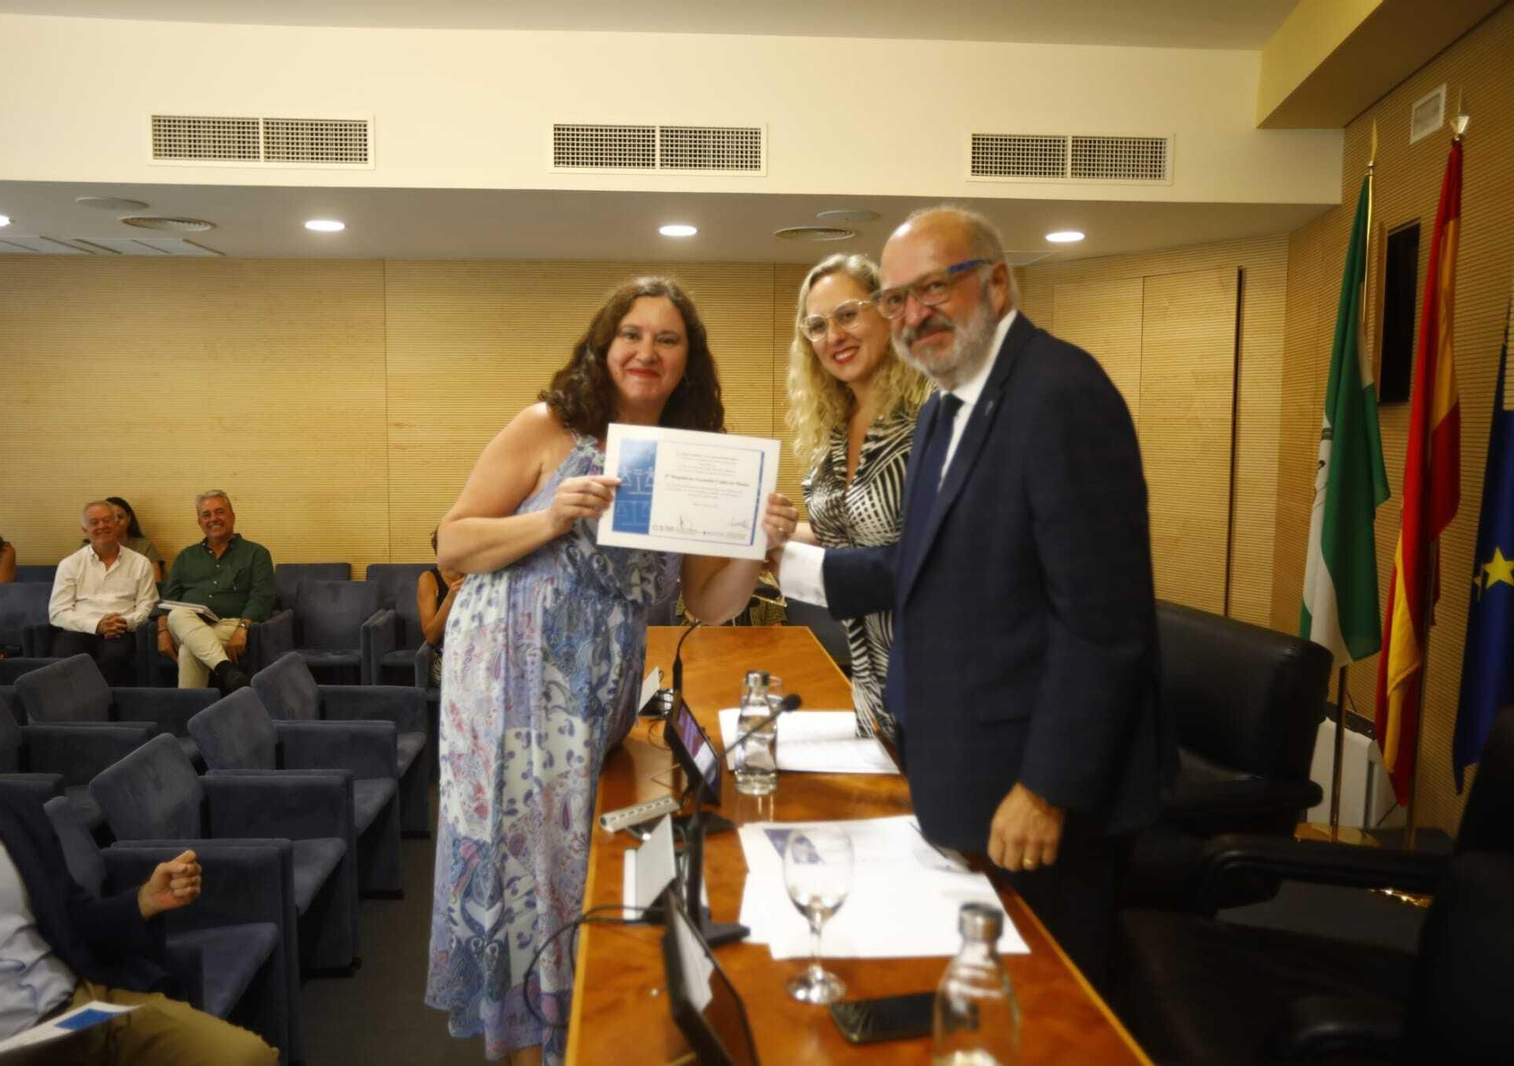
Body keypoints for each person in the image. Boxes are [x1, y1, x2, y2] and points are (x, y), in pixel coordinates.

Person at [775, 206, 1173, 986]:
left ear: (996, 282)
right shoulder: (947, 411)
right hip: (964, 762)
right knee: (976, 994)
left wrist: (1045, 789)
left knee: (1051, 1008)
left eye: (934, 288)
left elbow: (1102, 624)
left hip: (1035, 791)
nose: (913, 314)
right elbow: (926, 569)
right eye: (897, 299)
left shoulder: (1060, 393)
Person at [424, 277, 798, 1066]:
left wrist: (755, 548)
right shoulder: (549, 428)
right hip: (509, 678)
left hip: (598, 684)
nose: (647, 352)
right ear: (605, 345)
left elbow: (708, 602)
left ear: (687, 362)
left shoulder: (694, 458)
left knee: (572, 855)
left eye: (669, 340)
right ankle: (525, 1045)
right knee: (518, 855)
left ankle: (577, 1023)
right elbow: (452, 544)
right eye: (632, 334)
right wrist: (552, 515)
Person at [0, 650, 278, 1065]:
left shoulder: (11, 811)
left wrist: (143, 901)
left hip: (80, 1013)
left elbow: (72, 916)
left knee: (246, 1056)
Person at [785, 252, 929, 738]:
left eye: (848, 315)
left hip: (936, 685)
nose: (834, 336)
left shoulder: (930, 421)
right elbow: (850, 534)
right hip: (869, 687)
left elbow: (924, 561)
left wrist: (781, 561)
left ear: (888, 311)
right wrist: (774, 532)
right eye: (817, 325)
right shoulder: (832, 430)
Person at [155, 492, 275, 694]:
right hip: (186, 623)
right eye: (207, 515)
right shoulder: (186, 556)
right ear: (200, 522)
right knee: (177, 614)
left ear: (232, 516)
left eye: (220, 512)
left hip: (229, 625)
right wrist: (162, 631)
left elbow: (262, 596)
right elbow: (168, 600)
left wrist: (244, 626)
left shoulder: (256, 553)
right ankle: (226, 669)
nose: (213, 519)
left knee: (189, 651)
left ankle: (191, 715)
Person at [47, 501, 158, 685]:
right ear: (85, 529)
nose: (102, 526)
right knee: (66, 656)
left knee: (116, 656)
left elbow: (148, 606)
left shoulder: (141, 563)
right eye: (94, 522)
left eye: (107, 520)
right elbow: (57, 613)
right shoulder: (70, 564)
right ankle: (81, 707)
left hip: (121, 631)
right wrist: (96, 625)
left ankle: (99, 707)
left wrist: (124, 623)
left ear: (117, 524)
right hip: (78, 630)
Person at [419, 532, 464, 687]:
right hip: (445, 656)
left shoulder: (478, 575)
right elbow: (431, 637)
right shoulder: (429, 579)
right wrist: (450, 598)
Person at [104, 497, 165, 585]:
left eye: (119, 517)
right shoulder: (87, 548)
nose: (115, 522)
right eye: (109, 519)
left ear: (129, 519)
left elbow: (155, 586)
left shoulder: (145, 547)